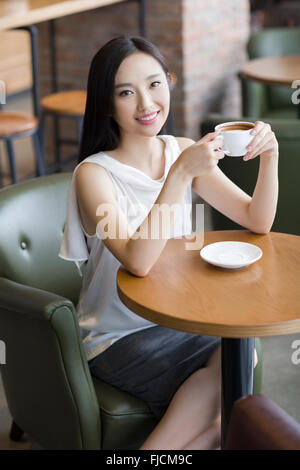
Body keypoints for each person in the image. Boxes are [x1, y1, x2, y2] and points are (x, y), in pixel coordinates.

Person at [59, 35, 279, 450]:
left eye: (155, 84)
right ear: (107, 104)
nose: (147, 103)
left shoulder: (180, 149)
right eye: (126, 92)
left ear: (169, 84)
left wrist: (270, 157)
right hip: (118, 334)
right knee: (229, 391)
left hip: (180, 319)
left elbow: (257, 219)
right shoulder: (94, 175)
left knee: (238, 366)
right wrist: (179, 175)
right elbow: (138, 262)